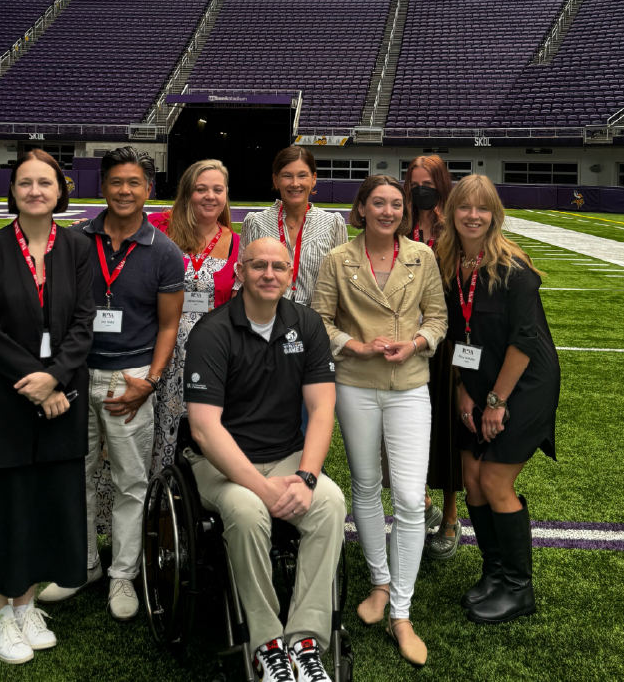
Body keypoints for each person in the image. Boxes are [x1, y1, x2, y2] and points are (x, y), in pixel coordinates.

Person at [0, 149, 96, 665]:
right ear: (12, 191)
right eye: (25, 183)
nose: (35, 191)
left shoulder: (78, 246)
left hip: (60, 398)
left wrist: (54, 378)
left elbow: (84, 322)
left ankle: (28, 603)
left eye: (45, 183)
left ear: (60, 191)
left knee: (44, 500)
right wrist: (32, 380)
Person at [184, 236, 346, 682]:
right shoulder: (212, 331)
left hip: (286, 456)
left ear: (291, 274)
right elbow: (204, 428)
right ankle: (267, 643)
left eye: (278, 267)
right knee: (247, 510)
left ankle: (305, 640)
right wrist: (263, 488)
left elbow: (321, 408)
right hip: (221, 463)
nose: (268, 274)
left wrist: (307, 477)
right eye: (258, 266)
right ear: (239, 273)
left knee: (330, 504)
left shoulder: (307, 325)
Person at [38, 147, 184, 621]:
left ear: (149, 190)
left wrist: (152, 381)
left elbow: (168, 327)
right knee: (75, 475)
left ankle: (123, 572)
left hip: (131, 379)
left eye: (135, 183)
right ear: (102, 187)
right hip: (77, 377)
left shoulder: (163, 251)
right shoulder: (75, 240)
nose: (125, 191)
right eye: (116, 182)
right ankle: (81, 566)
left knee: (129, 481)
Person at [311, 175, 447, 667]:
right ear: (361, 209)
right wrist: (355, 345)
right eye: (379, 204)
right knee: (366, 486)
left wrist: (413, 344)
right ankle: (379, 583)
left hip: (409, 383)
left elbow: (438, 318)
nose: (388, 211)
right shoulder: (337, 259)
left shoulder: (423, 256)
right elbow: (319, 319)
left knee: (410, 497)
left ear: (403, 211)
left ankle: (402, 611)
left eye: (396, 204)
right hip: (355, 382)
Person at [438, 174, 559, 624]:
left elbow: (524, 343)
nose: (473, 216)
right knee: (471, 476)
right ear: (452, 213)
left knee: (493, 481)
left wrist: (496, 401)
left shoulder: (514, 268)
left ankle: (518, 588)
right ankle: (494, 572)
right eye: (464, 207)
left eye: (482, 208)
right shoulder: (449, 262)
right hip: (478, 382)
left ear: (495, 215)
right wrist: (463, 391)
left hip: (522, 384)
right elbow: (457, 337)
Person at [234, 145, 348, 432]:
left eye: (302, 176)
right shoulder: (255, 221)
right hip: (265, 331)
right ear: (275, 180)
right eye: (286, 176)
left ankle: (309, 473)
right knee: (267, 412)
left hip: (314, 332)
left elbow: (342, 282)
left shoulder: (333, 223)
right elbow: (243, 279)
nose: (294, 184)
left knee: (311, 417)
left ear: (314, 179)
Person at [147, 159, 239, 474]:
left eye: (217, 189)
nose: (209, 196)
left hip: (212, 358)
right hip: (159, 352)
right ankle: (154, 510)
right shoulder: (161, 229)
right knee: (154, 433)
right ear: (188, 193)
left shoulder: (236, 244)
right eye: (201, 189)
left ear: (227, 195)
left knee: (202, 437)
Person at [402, 155, 463, 560]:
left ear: (441, 185)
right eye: (415, 183)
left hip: (445, 343)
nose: (422, 190)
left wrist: (447, 230)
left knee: (445, 428)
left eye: (429, 183)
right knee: (407, 426)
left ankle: (452, 517)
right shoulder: (402, 224)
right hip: (406, 339)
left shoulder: (454, 228)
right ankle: (421, 502)